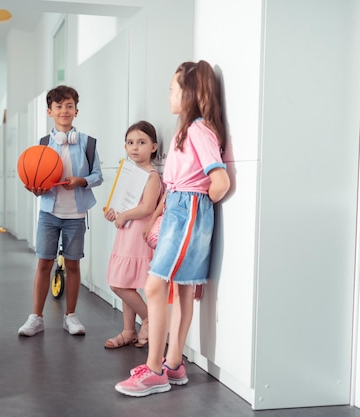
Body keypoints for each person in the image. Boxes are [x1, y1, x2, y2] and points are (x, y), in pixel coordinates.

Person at [115, 60, 230, 397]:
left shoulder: (196, 129)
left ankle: (153, 371)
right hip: (182, 209)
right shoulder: (190, 129)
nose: (169, 95)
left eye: (173, 89)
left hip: (188, 210)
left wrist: (194, 203)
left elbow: (219, 180)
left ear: (190, 92)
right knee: (179, 291)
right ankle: (174, 365)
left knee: (154, 287)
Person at [18, 85, 103, 337]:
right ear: (49, 111)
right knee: (44, 263)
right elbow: (36, 178)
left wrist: (82, 181)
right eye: (58, 106)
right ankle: (36, 317)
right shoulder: (43, 144)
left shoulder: (87, 143)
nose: (64, 110)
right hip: (49, 213)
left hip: (76, 214)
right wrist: (36, 189)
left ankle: (71, 316)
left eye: (69, 106)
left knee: (73, 265)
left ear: (76, 111)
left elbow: (97, 175)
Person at [103, 121, 164, 349]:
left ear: (154, 147)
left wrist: (125, 215)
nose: (135, 147)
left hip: (138, 236)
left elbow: (148, 207)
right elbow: (124, 205)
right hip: (125, 233)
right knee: (125, 284)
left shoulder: (151, 176)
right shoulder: (130, 173)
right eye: (130, 143)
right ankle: (128, 332)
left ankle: (149, 318)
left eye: (141, 142)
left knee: (119, 284)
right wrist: (115, 213)